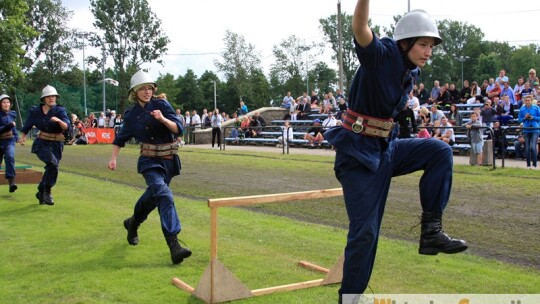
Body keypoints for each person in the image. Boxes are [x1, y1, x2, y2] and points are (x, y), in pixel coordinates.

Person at [322, 4, 467, 301]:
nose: (428, 51)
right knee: (365, 233)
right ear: (406, 43)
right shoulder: (383, 55)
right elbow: (360, 28)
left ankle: (431, 232)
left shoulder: (408, 72)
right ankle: (349, 298)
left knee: (439, 151)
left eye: (431, 46)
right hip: (358, 157)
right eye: (424, 44)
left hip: (386, 150)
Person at [108, 70, 192, 264]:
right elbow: (120, 138)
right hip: (149, 162)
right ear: (134, 92)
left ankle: (133, 223)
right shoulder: (131, 115)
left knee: (153, 197)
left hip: (169, 160)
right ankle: (174, 245)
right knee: (164, 195)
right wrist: (113, 158)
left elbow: (179, 128)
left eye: (149, 88)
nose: (147, 91)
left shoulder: (161, 104)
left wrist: (163, 119)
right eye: (142, 89)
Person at [20, 85, 70, 205]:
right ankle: (47, 191)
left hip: (57, 144)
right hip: (42, 143)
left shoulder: (60, 110)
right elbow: (27, 125)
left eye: (53, 96)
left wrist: (59, 121)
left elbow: (67, 126)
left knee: (52, 167)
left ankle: (41, 191)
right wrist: (23, 137)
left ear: (56, 97)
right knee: (52, 163)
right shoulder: (36, 111)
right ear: (44, 99)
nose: (51, 98)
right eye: (48, 96)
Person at [0, 94, 19, 192]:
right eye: (4, 102)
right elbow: (9, 126)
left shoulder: (13, 114)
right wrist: (8, 126)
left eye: (8, 102)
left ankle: (12, 183)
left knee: (10, 157)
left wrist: (16, 136)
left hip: (9, 141)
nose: (6, 104)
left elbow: (13, 127)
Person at [517, 95, 540, 169]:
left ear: (531, 100)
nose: (527, 102)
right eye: (526, 100)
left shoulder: (536, 108)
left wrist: (533, 117)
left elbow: (539, 118)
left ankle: (534, 164)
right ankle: (528, 165)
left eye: (529, 100)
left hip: (535, 129)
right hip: (526, 129)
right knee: (527, 148)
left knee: (533, 147)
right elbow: (519, 119)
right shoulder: (522, 109)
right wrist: (525, 118)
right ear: (524, 101)